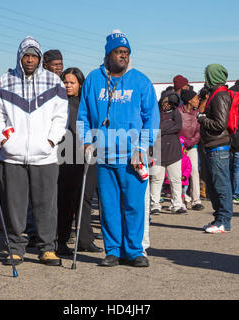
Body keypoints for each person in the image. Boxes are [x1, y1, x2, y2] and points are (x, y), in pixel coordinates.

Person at [77, 29, 160, 267]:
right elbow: (83, 115)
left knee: (134, 206)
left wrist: (142, 148)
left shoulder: (141, 81)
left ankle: (134, 251)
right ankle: (112, 250)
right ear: (108, 54)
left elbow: (151, 119)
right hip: (104, 155)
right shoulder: (93, 79)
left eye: (126, 52)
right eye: (118, 52)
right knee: (109, 207)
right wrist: (85, 141)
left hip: (133, 157)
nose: (123, 56)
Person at [0, 36, 68, 266]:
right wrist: (7, 141)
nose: (30, 60)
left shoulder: (54, 82)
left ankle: (47, 248)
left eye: (34, 56)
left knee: (46, 204)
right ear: (20, 57)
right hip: (12, 156)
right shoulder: (4, 81)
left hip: (45, 155)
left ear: (40, 58)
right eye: (27, 55)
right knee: (14, 204)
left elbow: (60, 116)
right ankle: (15, 248)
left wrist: (51, 142)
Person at [56, 67, 103, 255]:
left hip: (88, 155)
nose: (68, 86)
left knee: (85, 198)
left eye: (72, 83)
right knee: (65, 200)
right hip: (65, 157)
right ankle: (61, 240)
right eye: (65, 82)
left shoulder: (86, 104)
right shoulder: (58, 103)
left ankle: (85, 239)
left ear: (80, 85)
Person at [197, 64, 233, 234]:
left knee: (221, 185)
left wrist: (202, 119)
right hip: (213, 146)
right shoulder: (215, 94)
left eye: (207, 75)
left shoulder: (220, 96)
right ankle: (218, 218)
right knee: (213, 186)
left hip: (218, 147)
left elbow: (220, 124)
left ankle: (224, 221)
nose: (205, 78)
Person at [149, 91, 183, 215]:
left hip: (173, 151)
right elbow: (154, 128)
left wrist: (162, 129)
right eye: (166, 103)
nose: (168, 106)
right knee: (157, 179)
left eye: (171, 104)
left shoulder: (176, 112)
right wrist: (169, 125)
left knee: (176, 179)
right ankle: (155, 205)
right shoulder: (155, 112)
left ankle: (177, 205)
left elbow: (179, 126)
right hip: (157, 151)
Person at [178, 89, 204, 210]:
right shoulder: (178, 112)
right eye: (195, 98)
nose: (198, 101)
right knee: (179, 173)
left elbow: (199, 131)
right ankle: (179, 199)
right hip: (179, 146)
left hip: (192, 146)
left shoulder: (197, 113)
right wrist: (181, 142)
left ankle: (196, 200)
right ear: (189, 100)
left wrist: (191, 142)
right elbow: (175, 128)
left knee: (194, 171)